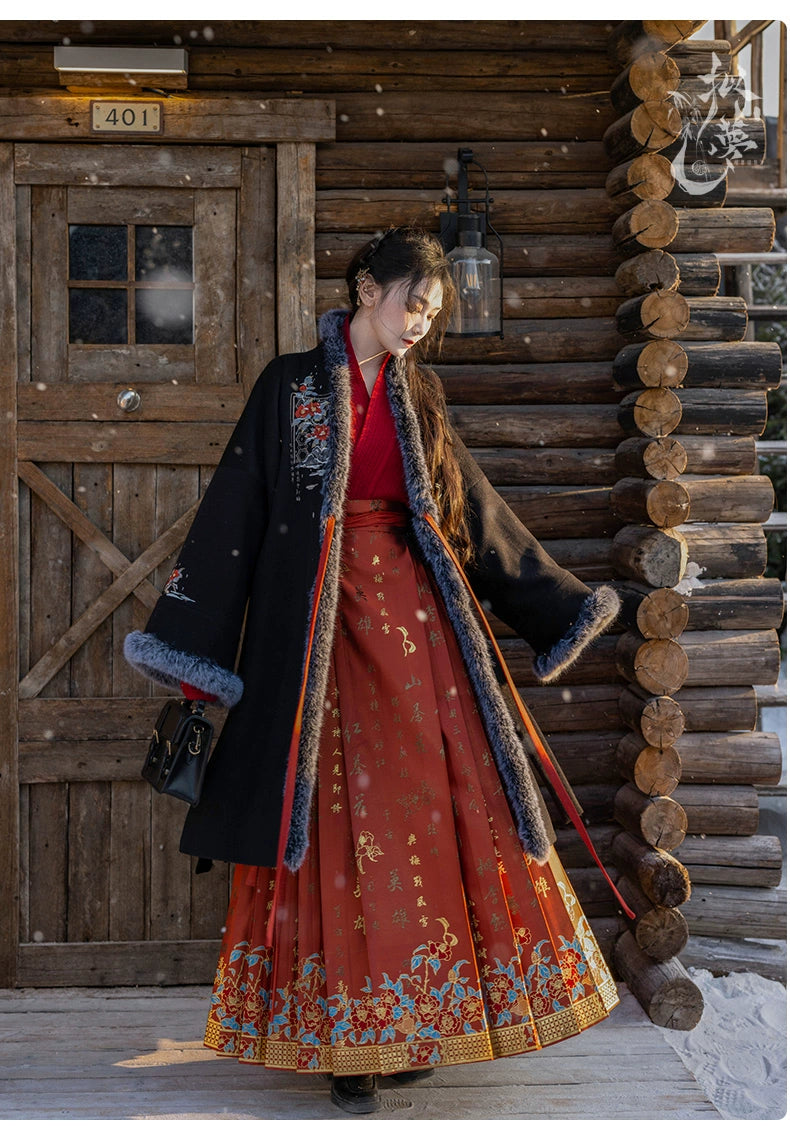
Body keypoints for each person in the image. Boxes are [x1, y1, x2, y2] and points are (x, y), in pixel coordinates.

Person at [124, 224, 625, 1116]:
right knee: (329, 828)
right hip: (311, 640)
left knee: (425, 820)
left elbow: (470, 512)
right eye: (411, 303)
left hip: (417, 633)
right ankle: (344, 1041)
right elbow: (234, 515)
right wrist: (197, 657)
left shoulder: (418, 395)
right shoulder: (288, 387)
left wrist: (555, 603)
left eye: (431, 313)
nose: (420, 322)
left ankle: (415, 1024)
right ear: (366, 289)